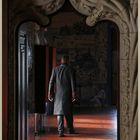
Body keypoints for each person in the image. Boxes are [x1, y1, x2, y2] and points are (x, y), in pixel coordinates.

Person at [48, 55, 76, 137]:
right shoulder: (71, 69)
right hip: (67, 94)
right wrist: (74, 94)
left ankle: (60, 132)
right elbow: (72, 83)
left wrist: (50, 92)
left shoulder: (55, 69)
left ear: (61, 61)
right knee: (69, 113)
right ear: (67, 60)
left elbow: (51, 82)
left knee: (59, 113)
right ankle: (70, 130)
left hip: (58, 95)